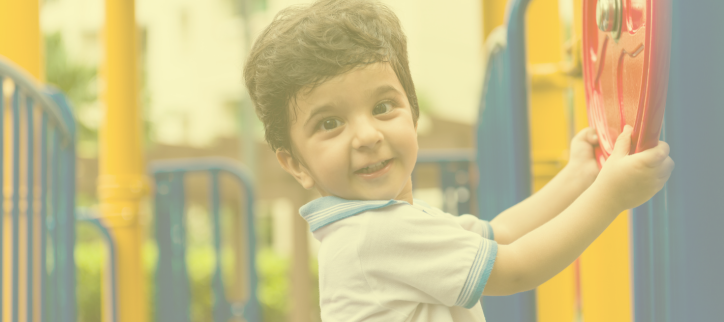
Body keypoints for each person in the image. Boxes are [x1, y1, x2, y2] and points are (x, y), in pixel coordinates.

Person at [243, 0, 674, 321]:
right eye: (331, 123)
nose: (368, 136)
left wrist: (576, 177)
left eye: (382, 107)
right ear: (294, 163)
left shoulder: (381, 222)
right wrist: (612, 194)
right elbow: (517, 269)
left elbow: (499, 234)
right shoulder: (373, 234)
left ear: (412, 112)